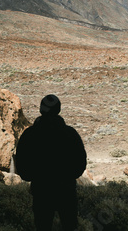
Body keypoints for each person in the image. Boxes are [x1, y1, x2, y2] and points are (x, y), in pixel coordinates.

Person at [15, 94, 87, 231]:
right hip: (66, 190)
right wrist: (68, 176)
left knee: (42, 226)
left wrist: (35, 177)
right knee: (69, 226)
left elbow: (22, 165)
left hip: (41, 191)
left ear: (41, 110)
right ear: (58, 109)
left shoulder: (30, 135)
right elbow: (80, 163)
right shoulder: (70, 134)